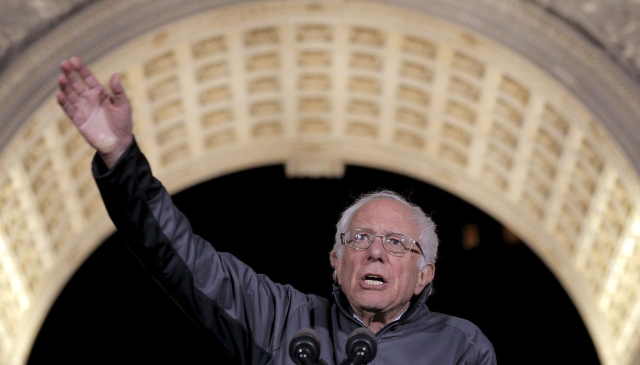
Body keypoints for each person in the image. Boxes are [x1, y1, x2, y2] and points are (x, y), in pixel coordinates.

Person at [56, 56, 497, 364]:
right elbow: (181, 258)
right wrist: (120, 156)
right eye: (359, 239)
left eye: (396, 243)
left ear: (425, 274)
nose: (375, 252)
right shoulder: (285, 322)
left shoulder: (461, 346)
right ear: (336, 259)